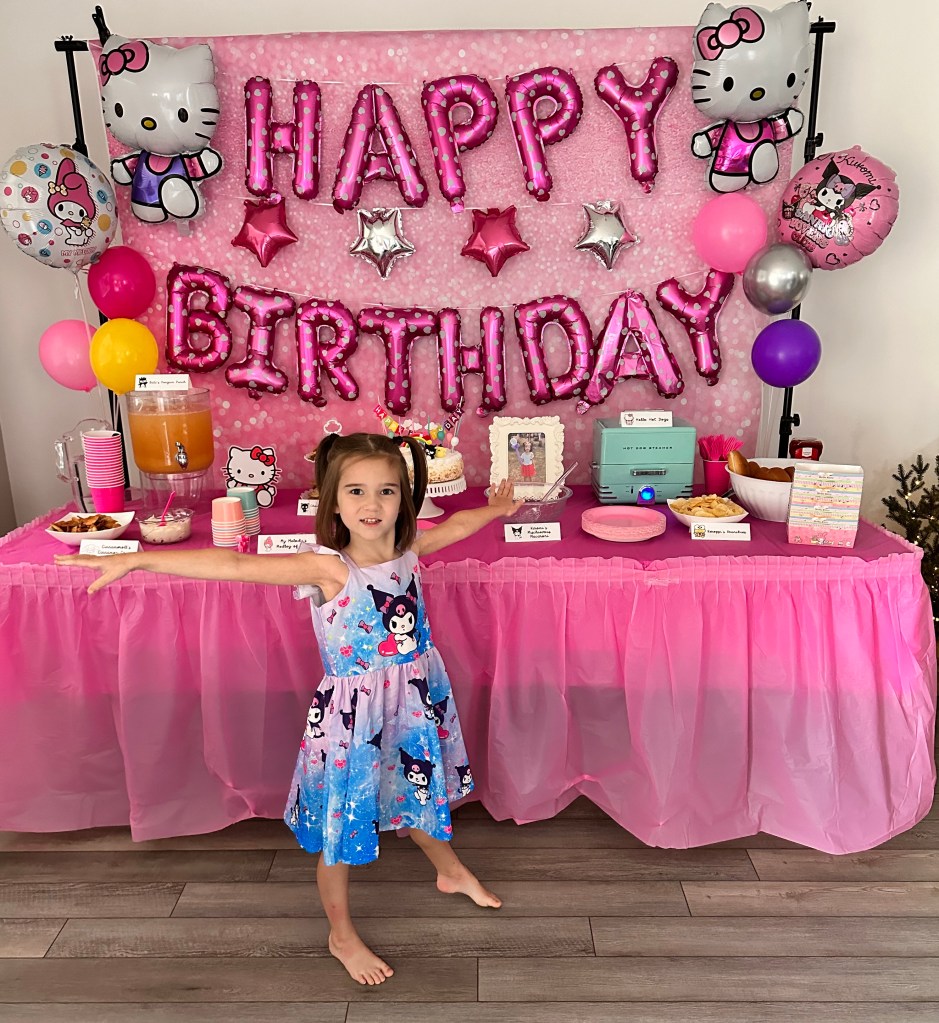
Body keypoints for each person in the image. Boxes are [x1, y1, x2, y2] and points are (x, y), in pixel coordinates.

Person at [55, 431, 523, 986]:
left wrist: (495, 508)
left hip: (414, 706)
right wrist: (139, 561)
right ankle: (341, 935)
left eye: (386, 492)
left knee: (419, 795)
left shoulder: (407, 554)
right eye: (355, 491)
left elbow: (454, 527)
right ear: (333, 499)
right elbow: (232, 567)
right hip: (355, 720)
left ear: (406, 497)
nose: (371, 505)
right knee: (341, 828)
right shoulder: (328, 570)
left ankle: (449, 872)